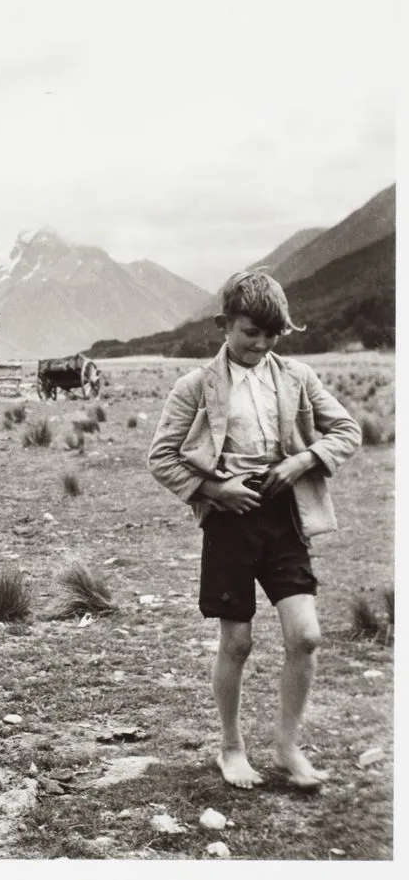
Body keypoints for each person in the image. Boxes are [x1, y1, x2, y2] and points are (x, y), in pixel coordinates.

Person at [147, 271, 360, 790]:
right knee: (237, 641)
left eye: (272, 335)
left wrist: (304, 460)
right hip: (229, 524)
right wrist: (214, 491)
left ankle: (288, 747)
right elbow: (161, 458)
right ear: (224, 325)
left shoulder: (297, 377)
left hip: (285, 520)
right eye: (249, 333)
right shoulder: (195, 386)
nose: (260, 345)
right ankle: (231, 747)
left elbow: (347, 430)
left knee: (305, 636)